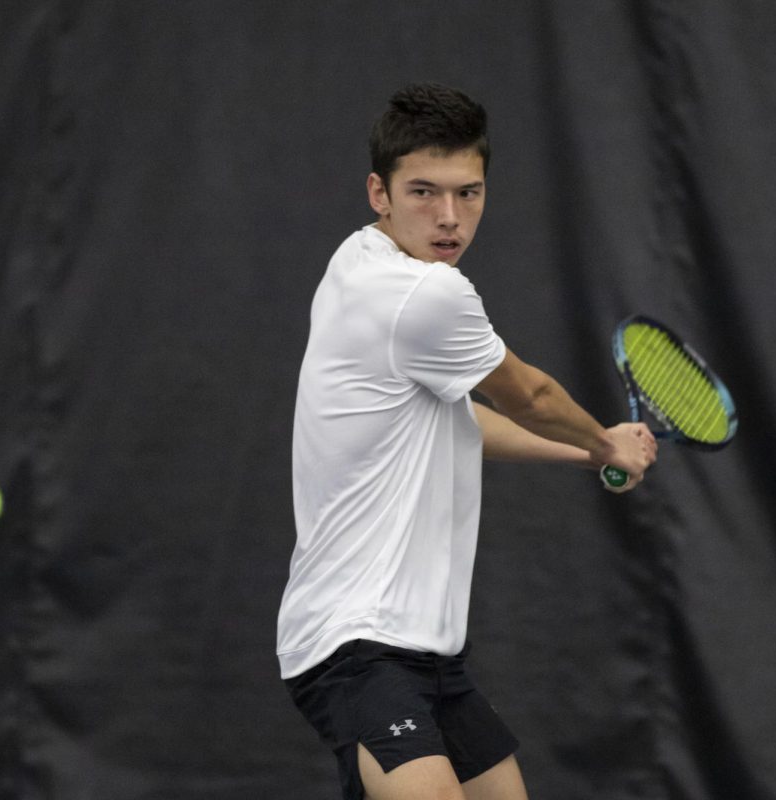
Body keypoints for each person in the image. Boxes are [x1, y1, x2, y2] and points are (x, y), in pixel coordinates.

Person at [277, 83, 657, 800]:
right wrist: (608, 446)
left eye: (469, 193)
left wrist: (587, 450)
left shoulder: (356, 263)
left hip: (429, 651)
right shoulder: (426, 296)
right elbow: (529, 396)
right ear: (378, 193)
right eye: (423, 191)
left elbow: (461, 423)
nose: (450, 217)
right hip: (359, 641)